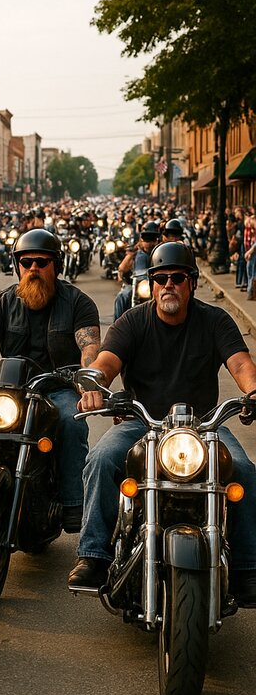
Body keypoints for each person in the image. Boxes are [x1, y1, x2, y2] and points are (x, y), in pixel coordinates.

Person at [69, 242, 256, 605]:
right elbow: (107, 361)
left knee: (245, 470)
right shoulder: (134, 320)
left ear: (191, 282)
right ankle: (93, 554)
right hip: (146, 424)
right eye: (159, 278)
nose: (168, 285)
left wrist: (252, 390)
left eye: (176, 277)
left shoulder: (214, 320)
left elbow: (241, 363)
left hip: (204, 426)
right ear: (151, 283)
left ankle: (248, 567)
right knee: (102, 458)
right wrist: (95, 385)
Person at [0, 228, 100, 533]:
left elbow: (89, 346)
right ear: (17, 266)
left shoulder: (77, 302)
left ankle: (72, 502)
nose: (34, 268)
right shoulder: (4, 302)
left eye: (41, 261)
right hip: (9, 392)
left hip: (56, 390)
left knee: (71, 420)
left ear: (56, 264)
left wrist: (88, 380)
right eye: (27, 263)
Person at [113, 221, 160, 320]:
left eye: (152, 239)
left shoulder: (161, 253)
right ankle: (117, 327)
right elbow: (122, 268)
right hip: (138, 285)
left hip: (158, 284)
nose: (149, 242)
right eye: (146, 238)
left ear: (157, 239)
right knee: (122, 296)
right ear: (141, 239)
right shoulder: (135, 253)